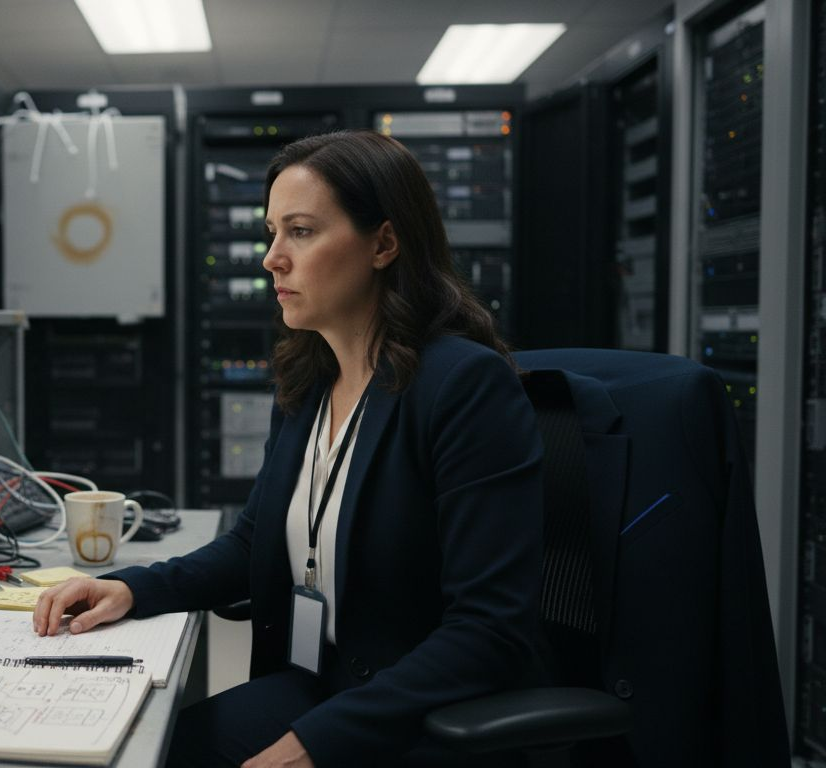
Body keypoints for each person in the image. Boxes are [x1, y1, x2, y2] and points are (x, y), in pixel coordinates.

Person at [33, 130, 545, 767]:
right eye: (272, 232)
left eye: (300, 231)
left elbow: (490, 629)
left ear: (384, 243)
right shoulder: (312, 382)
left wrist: (319, 743)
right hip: (315, 684)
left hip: (411, 718)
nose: (272, 257)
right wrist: (133, 589)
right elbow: (254, 543)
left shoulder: (462, 387)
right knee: (138, 751)